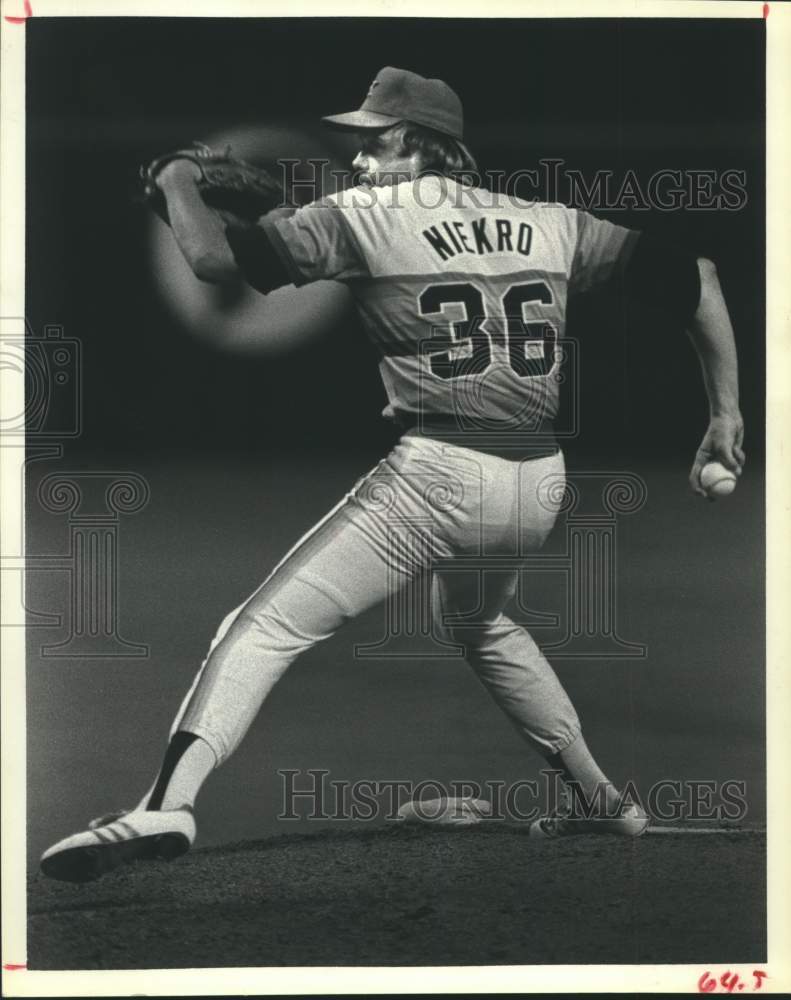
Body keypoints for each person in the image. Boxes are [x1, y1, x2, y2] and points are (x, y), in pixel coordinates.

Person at [41, 66, 745, 882]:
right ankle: (601, 802)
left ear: (419, 144)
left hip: (440, 476)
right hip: (539, 479)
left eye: (375, 140)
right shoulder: (545, 220)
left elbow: (210, 262)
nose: (362, 156)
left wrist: (175, 180)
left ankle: (165, 804)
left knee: (261, 626)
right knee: (481, 625)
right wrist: (724, 414)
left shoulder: (364, 214)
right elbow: (698, 277)